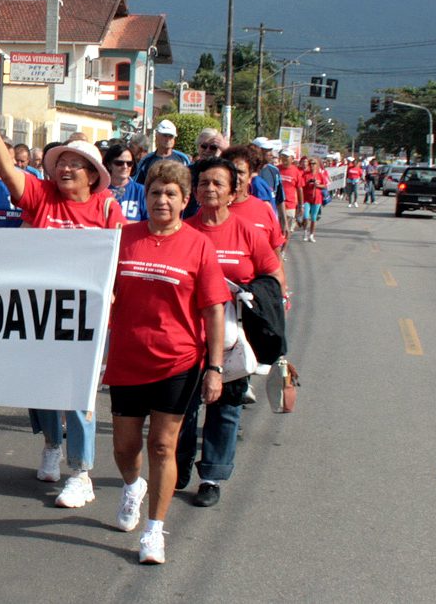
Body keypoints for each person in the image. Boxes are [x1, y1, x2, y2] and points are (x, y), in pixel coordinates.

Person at [0, 87, 121, 509]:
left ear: (92, 174)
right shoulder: (41, 197)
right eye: (62, 161)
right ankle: (52, 443)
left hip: (86, 319)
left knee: (79, 394)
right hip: (39, 313)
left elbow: (116, 263)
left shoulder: (107, 208)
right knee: (43, 388)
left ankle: (81, 472)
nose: (67, 168)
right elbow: (8, 171)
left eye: (76, 164)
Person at [104, 160, 228, 565]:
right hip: (127, 358)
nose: (162, 199)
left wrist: (215, 368)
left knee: (162, 444)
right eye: (156, 192)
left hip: (178, 360)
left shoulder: (198, 245)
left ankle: (154, 530)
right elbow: (100, 289)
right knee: (125, 447)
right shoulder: (124, 237)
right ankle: (132, 486)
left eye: (171, 193)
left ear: (185, 199)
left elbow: (213, 311)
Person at [177, 157, 284, 509]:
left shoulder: (247, 233)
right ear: (193, 190)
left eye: (217, 184)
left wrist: (258, 302)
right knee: (182, 405)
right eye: (203, 182)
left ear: (232, 191)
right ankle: (177, 466)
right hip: (187, 334)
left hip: (234, 337)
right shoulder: (183, 230)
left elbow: (273, 276)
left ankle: (212, 476)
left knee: (225, 407)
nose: (209, 189)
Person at [133, 119, 192, 186]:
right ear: (157, 136)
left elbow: (188, 182)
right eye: (165, 135)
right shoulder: (146, 161)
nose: (168, 139)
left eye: (171, 136)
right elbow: (138, 185)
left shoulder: (183, 159)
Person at [104, 142, 147, 222]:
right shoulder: (99, 191)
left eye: (129, 163)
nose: (125, 167)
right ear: (109, 165)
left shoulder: (141, 191)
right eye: (119, 163)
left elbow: (150, 223)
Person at [299, 156, 327, 242]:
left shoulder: (320, 175)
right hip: (307, 198)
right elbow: (301, 185)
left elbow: (325, 185)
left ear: (317, 165)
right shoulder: (305, 174)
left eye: (314, 163)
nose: (312, 165)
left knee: (314, 218)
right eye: (310, 163)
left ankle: (311, 235)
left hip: (317, 198)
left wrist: (317, 185)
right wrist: (308, 182)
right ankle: (305, 232)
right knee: (306, 216)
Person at [277, 150, 304, 235]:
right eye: (283, 156)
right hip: (276, 203)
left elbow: (300, 189)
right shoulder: (276, 169)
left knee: (287, 229)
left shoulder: (296, 172)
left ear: (292, 159)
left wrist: (300, 205)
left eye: (287, 156)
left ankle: (284, 248)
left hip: (290, 205)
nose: (284, 158)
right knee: (276, 228)